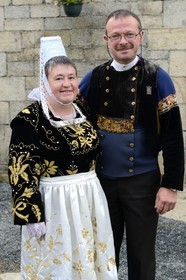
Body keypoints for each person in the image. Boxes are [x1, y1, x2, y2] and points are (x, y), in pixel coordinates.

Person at [79, 9, 185, 280]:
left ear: (140, 36)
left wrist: (170, 185)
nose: (123, 41)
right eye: (116, 36)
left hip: (143, 183)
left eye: (129, 34)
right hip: (100, 183)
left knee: (141, 256)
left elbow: (173, 135)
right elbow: (70, 113)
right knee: (102, 253)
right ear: (106, 39)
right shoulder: (94, 77)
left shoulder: (157, 77)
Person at [8, 36, 118, 280]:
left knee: (90, 258)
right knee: (56, 264)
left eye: (71, 77)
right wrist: (30, 214)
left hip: (89, 196)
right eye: (58, 78)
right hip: (54, 202)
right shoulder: (29, 119)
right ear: (45, 83)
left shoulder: (83, 110)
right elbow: (20, 168)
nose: (67, 84)